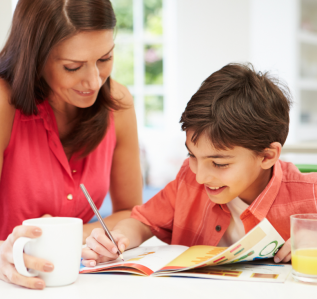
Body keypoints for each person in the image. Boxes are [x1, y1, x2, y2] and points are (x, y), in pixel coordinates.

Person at [0, 0, 143, 294]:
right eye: (73, 66)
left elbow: (132, 213)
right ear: (36, 57)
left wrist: (64, 235)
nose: (94, 81)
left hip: (50, 282)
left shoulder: (117, 103)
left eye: (105, 58)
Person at [81, 63, 317, 267]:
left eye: (219, 163)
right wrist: (118, 238)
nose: (201, 176)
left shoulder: (310, 193)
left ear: (267, 156)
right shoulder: (188, 179)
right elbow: (142, 222)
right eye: (192, 155)